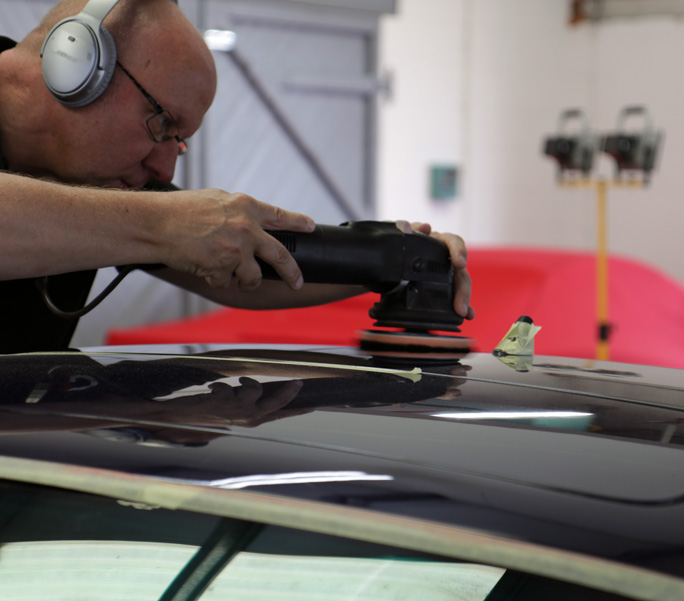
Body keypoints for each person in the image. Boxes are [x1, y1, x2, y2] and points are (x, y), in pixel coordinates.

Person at [0, 0, 473, 353]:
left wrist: (397, 254)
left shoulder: (108, 183)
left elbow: (246, 266)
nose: (164, 170)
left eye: (178, 141)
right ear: (77, 65)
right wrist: (164, 225)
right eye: (162, 124)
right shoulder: (129, 206)